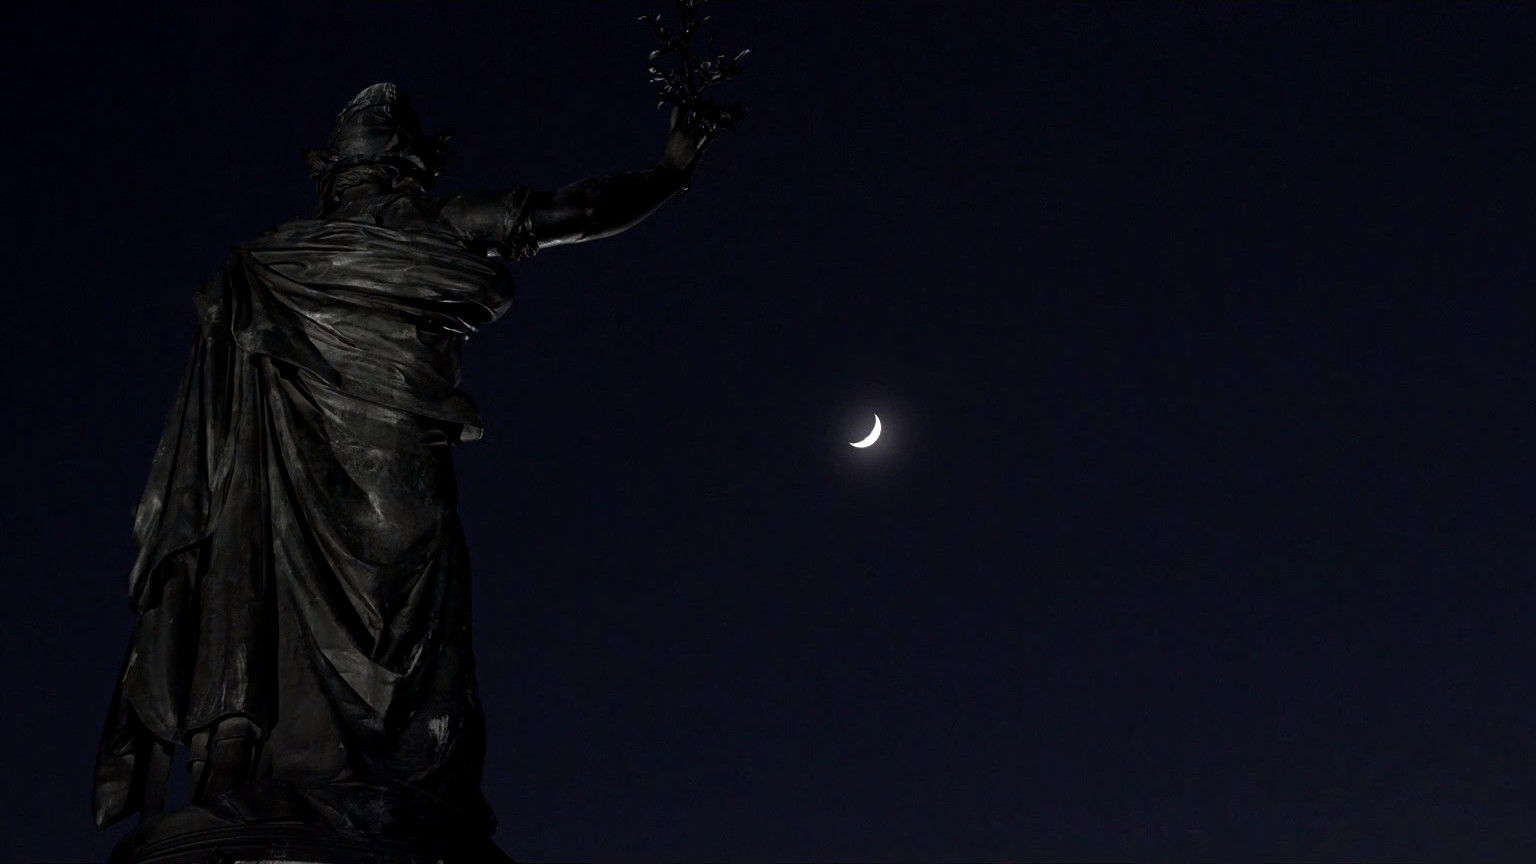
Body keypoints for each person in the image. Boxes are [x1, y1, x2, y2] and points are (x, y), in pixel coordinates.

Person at [94, 82, 715, 860]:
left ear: (335, 168)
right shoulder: (415, 229)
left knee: (264, 596)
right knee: (400, 636)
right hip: (389, 477)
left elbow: (573, 212)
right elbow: (575, 211)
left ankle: (245, 770)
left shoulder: (267, 264)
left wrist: (668, 172)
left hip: (299, 481)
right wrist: (672, 169)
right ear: (411, 164)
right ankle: (369, 792)